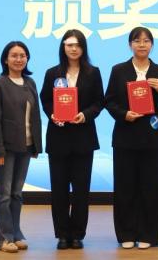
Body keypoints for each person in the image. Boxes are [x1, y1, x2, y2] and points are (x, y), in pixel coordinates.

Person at [104, 27, 158, 249]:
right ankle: (126, 233)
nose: (142, 45)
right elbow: (109, 101)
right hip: (125, 137)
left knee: (151, 188)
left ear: (152, 44)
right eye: (137, 41)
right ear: (130, 45)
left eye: (146, 41)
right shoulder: (119, 70)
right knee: (125, 187)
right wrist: (123, 114)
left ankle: (149, 234)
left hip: (153, 139)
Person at [39, 29, 104, 250]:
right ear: (63, 47)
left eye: (77, 45)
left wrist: (85, 115)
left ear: (83, 48)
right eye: (69, 45)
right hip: (58, 138)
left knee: (81, 190)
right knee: (58, 190)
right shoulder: (52, 73)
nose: (73, 49)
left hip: (83, 138)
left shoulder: (93, 73)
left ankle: (77, 234)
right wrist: (52, 114)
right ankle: (61, 234)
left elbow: (99, 102)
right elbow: (46, 100)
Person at [0, 41, 43, 253]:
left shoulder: (30, 83)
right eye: (14, 55)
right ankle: (2, 238)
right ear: (5, 59)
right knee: (4, 194)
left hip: (24, 147)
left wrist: (36, 146)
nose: (19, 59)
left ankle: (15, 233)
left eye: (22, 55)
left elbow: (35, 117)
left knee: (17, 194)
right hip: (5, 150)